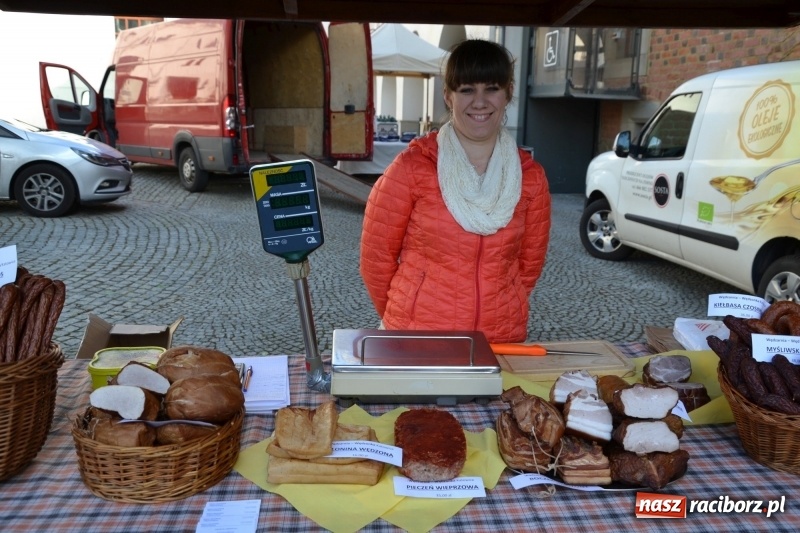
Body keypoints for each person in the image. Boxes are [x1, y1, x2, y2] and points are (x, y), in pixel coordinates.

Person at [359, 39, 551, 344]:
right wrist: (407, 316)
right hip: (418, 338)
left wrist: (501, 308)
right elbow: (375, 261)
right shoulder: (413, 167)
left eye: (491, 88)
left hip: (499, 338)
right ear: (448, 96)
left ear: (508, 92)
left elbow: (529, 266)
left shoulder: (531, 178)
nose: (479, 101)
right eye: (466, 90)